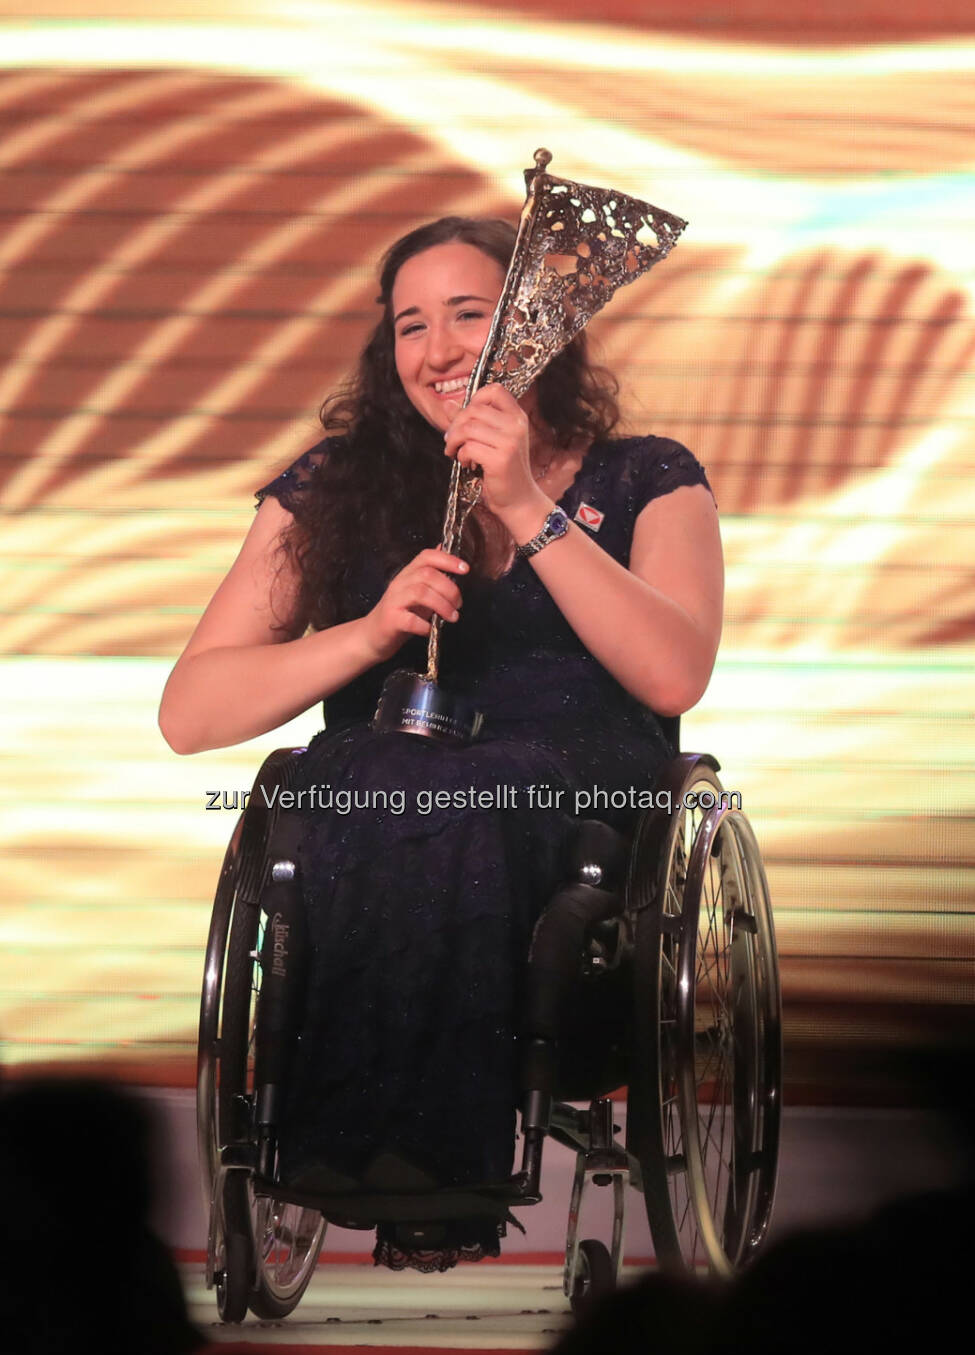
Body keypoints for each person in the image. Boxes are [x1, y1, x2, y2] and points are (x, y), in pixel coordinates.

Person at [159, 215, 723, 1271]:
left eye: (471, 315)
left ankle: (435, 1163)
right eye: (410, 325)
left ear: (537, 330)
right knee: (367, 778)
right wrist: (367, 634)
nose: (438, 348)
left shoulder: (649, 476)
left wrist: (527, 505)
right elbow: (192, 712)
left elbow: (672, 674)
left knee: (467, 792)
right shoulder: (334, 487)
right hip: (387, 781)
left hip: (580, 793)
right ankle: (354, 1152)